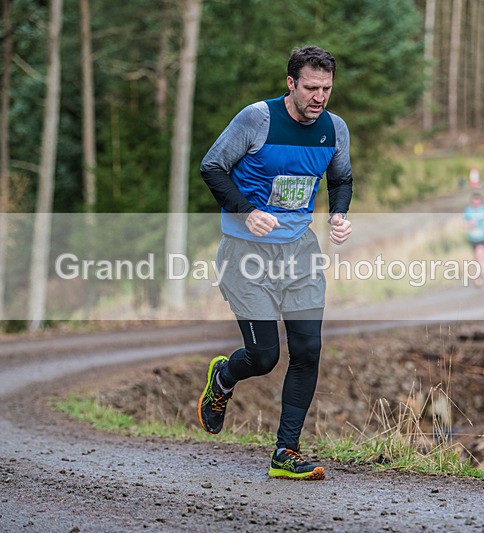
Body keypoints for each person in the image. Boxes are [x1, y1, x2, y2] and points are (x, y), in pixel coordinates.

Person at [197, 45, 353, 481]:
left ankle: (286, 452)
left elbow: (341, 178)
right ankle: (224, 377)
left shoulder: (335, 129)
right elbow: (212, 167)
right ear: (291, 84)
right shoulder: (257, 119)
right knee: (265, 356)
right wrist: (247, 210)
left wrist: (338, 214)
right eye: (310, 88)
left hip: (300, 252)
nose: (319, 97)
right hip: (245, 253)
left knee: (307, 350)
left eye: (326, 88)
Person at [463, 192, 484, 287]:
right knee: (476, 258)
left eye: (477, 201)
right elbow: (464, 224)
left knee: (479, 255)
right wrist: (469, 224)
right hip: (472, 237)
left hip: (482, 236)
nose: (476, 203)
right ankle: (481, 272)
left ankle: (479, 277)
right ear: (471, 201)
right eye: (474, 201)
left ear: (480, 201)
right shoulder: (468, 211)